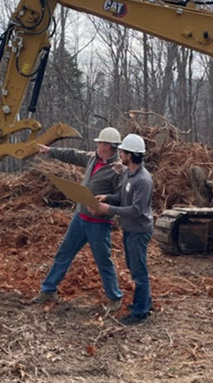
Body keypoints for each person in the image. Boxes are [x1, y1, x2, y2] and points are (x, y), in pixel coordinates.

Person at [30, 127, 124, 311]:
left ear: (109, 146)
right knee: (64, 253)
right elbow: (73, 154)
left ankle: (115, 297)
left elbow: (121, 197)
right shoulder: (92, 158)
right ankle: (48, 290)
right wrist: (51, 151)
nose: (97, 145)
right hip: (80, 218)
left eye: (100, 143)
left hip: (99, 223)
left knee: (103, 260)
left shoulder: (118, 169)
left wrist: (104, 206)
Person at [92, 133, 153, 326]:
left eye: (122, 152)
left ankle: (141, 312)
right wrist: (108, 197)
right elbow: (122, 196)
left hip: (139, 230)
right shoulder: (128, 173)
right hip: (130, 229)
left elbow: (136, 210)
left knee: (138, 272)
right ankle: (144, 303)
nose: (120, 154)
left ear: (131, 154)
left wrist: (108, 209)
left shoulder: (143, 180)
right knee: (134, 267)